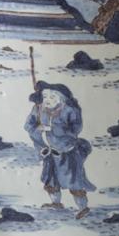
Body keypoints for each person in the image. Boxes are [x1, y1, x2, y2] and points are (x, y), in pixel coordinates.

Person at [24, 81, 94, 218]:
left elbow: (75, 130)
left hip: (66, 152)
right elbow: (28, 126)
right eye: (45, 96)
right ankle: (56, 203)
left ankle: (83, 207)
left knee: (73, 180)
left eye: (52, 97)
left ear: (62, 98)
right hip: (48, 152)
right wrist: (37, 129)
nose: (47, 100)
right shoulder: (38, 109)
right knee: (50, 179)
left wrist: (53, 129)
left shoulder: (70, 110)